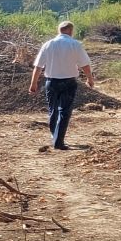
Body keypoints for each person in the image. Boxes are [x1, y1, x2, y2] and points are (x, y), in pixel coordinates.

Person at [28, 21, 94, 150]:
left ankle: (55, 137)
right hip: (69, 82)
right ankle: (59, 141)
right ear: (70, 31)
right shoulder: (75, 44)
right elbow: (85, 65)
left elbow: (38, 66)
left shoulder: (48, 44)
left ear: (59, 30)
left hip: (51, 82)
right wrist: (90, 79)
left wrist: (33, 84)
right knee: (64, 111)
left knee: (53, 111)